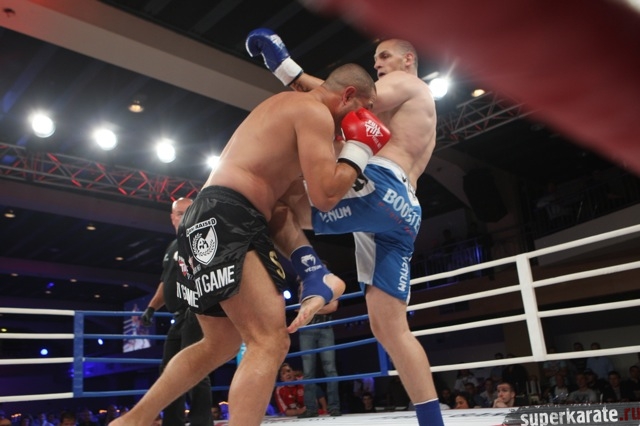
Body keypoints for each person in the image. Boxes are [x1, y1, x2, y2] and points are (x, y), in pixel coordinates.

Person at [110, 63, 383, 426]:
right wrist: (360, 149)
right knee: (270, 341)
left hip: (204, 218)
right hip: (230, 215)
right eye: (364, 109)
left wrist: (311, 266)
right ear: (347, 95)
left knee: (218, 345)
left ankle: (132, 421)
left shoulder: (284, 115)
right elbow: (326, 194)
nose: (364, 120)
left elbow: (292, 212)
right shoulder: (314, 111)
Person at [246, 29, 442, 426]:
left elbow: (350, 96)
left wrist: (287, 70)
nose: (378, 63)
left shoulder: (407, 83)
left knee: (276, 199)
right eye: (376, 58)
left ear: (408, 59)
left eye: (385, 56)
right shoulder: (416, 109)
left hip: (382, 188)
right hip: (404, 212)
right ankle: (432, 422)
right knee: (390, 329)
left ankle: (314, 274)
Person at [139, 197, 213, 426]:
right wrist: (151, 307)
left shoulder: (203, 239)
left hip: (197, 311)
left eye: (189, 212)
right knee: (169, 370)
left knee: (194, 367)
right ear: (172, 218)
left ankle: (202, 422)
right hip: (179, 316)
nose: (184, 217)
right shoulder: (173, 246)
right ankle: (173, 422)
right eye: (180, 213)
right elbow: (166, 283)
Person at [296, 276, 341, 418]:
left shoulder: (331, 284)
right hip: (307, 329)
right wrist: (317, 308)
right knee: (308, 371)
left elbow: (333, 307)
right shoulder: (304, 282)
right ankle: (310, 408)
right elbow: (302, 306)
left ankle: (334, 407)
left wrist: (311, 310)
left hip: (325, 327)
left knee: (330, 368)